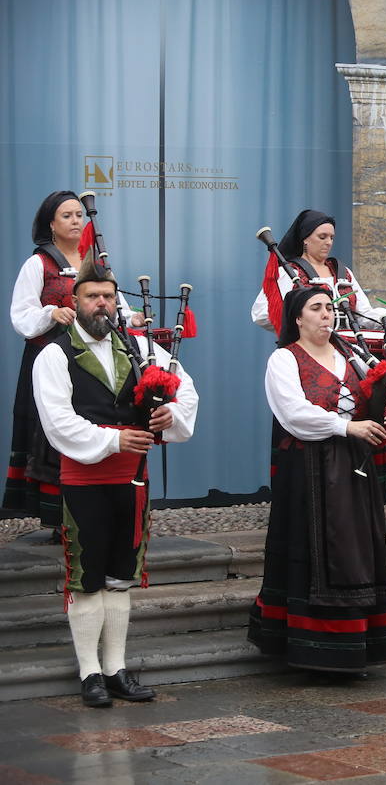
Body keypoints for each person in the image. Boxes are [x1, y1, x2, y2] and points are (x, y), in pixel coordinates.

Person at [32, 256, 198, 707]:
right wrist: (114, 440)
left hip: (133, 482)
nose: (101, 303)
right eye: (92, 296)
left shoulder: (139, 348)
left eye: (107, 296)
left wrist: (171, 415)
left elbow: (186, 391)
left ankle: (116, 669)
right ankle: (90, 674)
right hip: (85, 479)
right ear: (76, 301)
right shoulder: (55, 352)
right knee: (86, 576)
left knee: (121, 576)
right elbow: (58, 423)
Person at [247, 286, 386, 676]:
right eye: (316, 308)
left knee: (356, 548)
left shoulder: (352, 355)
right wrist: (346, 426)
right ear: (297, 318)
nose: (326, 315)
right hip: (308, 469)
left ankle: (358, 642)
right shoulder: (284, 359)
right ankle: (312, 648)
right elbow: (293, 413)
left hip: (354, 469)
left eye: (329, 308)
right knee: (313, 548)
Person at [7, 192, 138, 529]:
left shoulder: (94, 260)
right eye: (67, 216)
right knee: (54, 428)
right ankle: (57, 516)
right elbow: (21, 315)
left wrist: (131, 317)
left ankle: (91, 510)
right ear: (51, 223)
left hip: (91, 362)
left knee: (89, 419)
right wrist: (52, 312)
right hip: (49, 358)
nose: (76, 221)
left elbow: (113, 302)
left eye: (79, 215)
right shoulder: (38, 263)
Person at [251, 209, 386, 333]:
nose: (328, 242)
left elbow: (362, 314)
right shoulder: (290, 273)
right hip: (308, 352)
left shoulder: (343, 273)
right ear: (305, 239)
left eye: (331, 237)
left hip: (349, 351)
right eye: (322, 237)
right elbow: (261, 314)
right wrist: (304, 321)